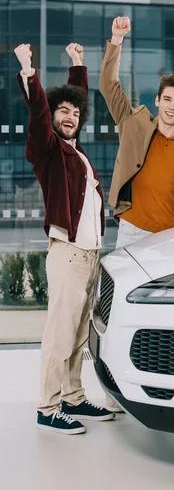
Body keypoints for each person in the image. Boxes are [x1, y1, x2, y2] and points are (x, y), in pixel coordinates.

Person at [14, 42, 115, 435]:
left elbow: (77, 100)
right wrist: (28, 69)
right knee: (60, 332)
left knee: (76, 333)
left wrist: (78, 66)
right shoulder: (48, 150)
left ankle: (73, 397)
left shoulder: (76, 151)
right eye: (64, 111)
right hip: (68, 253)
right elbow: (38, 111)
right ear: (52, 117)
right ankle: (48, 407)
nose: (71, 115)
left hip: (89, 255)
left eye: (76, 113)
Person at [99, 16, 174, 251]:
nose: (171, 106)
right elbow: (108, 85)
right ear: (157, 100)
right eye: (167, 99)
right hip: (131, 230)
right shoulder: (134, 124)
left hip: (169, 236)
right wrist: (117, 39)